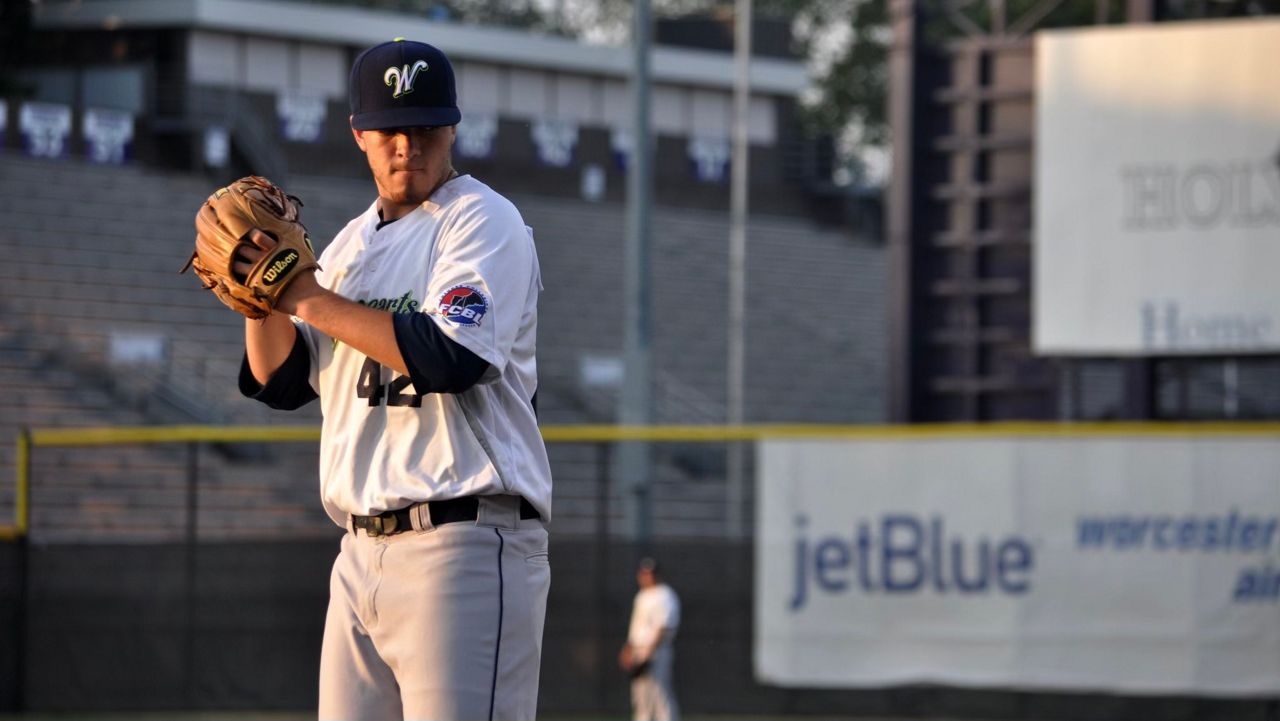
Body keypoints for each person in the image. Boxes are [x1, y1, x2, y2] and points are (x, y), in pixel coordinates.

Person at [234, 38, 551, 721]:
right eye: (390, 129)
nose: (408, 144)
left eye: (425, 127)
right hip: (358, 553)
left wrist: (301, 295)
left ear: (453, 128)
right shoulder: (347, 247)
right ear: (359, 134)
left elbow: (451, 357)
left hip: (463, 543)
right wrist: (259, 299)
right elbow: (284, 380)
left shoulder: (481, 220)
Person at [619, 557, 681, 721]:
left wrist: (649, 652)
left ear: (658, 574)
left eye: (651, 573)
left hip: (657, 650)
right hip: (639, 650)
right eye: (645, 573)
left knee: (660, 694)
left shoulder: (665, 595)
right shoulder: (642, 595)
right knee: (640, 698)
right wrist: (629, 649)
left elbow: (663, 626)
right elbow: (636, 627)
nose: (648, 577)